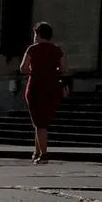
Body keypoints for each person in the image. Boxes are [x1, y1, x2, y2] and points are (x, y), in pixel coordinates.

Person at [19, 22, 69, 164]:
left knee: (39, 122)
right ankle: (36, 152)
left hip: (35, 87)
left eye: (35, 34)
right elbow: (63, 68)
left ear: (38, 35)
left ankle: (44, 155)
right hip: (52, 88)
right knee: (42, 120)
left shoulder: (32, 49)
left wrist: (35, 71)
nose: (34, 37)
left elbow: (23, 68)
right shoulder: (57, 50)